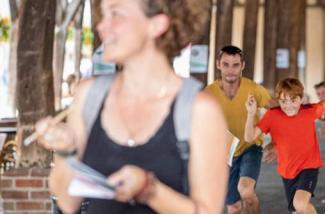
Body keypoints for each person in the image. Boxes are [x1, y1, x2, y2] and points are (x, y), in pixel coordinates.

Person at [34, 0, 230, 213]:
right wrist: (65, 151)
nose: (101, 26)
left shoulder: (199, 109)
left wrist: (150, 190)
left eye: (116, 14)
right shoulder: (89, 94)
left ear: (156, 25)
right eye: (103, 14)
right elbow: (67, 203)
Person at [245, 78, 325, 214]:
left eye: (293, 100)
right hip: (287, 172)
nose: (289, 105)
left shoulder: (309, 110)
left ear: (301, 99)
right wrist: (251, 114)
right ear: (278, 100)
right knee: (298, 210)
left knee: (300, 203)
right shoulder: (272, 116)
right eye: (283, 101)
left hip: (309, 167)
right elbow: (249, 137)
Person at [206, 45, 273, 214]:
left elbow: (277, 112)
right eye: (226, 64)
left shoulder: (255, 89)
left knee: (247, 191)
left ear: (242, 66)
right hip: (224, 153)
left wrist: (276, 143)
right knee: (233, 208)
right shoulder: (209, 92)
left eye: (235, 65)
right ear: (218, 64)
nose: (230, 70)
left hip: (250, 147)